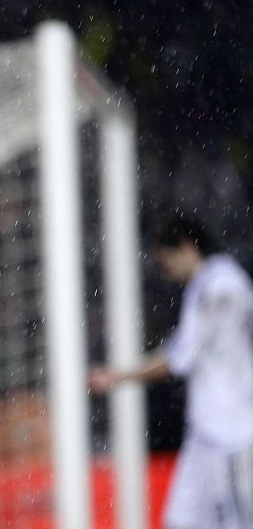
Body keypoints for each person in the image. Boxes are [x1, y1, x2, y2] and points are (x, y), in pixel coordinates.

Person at [89, 212, 253, 529]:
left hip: (232, 432)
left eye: (168, 264)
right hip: (206, 431)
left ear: (188, 247)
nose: (169, 274)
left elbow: (178, 359)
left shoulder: (220, 286)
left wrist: (116, 377)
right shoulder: (209, 283)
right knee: (180, 519)